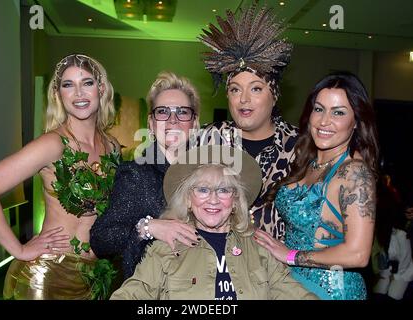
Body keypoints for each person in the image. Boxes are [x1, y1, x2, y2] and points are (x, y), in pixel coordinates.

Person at [0, 54, 121, 299]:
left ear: (101, 89)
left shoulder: (112, 146)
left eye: (87, 82)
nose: (78, 93)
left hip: (95, 277)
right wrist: (19, 249)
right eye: (68, 85)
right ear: (59, 95)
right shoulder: (54, 143)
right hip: (47, 275)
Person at [111, 145, 317, 300]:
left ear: (235, 201)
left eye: (224, 190)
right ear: (188, 200)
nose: (213, 199)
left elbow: (293, 292)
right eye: (202, 189)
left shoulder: (258, 246)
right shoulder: (166, 247)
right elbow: (133, 293)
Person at [253, 72, 379, 300]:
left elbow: (358, 254)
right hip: (290, 285)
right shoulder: (308, 160)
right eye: (319, 109)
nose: (324, 121)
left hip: (330, 291)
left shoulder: (354, 172)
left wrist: (291, 255)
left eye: (338, 112)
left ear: (356, 122)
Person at [197, 2, 298, 240]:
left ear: (274, 95)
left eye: (255, 89)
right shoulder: (208, 139)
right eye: (234, 89)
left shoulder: (299, 146)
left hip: (276, 269)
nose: (243, 99)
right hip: (216, 264)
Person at [90, 71, 200, 279]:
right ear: (151, 124)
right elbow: (101, 239)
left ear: (194, 123)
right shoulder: (136, 173)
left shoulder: (206, 173)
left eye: (183, 112)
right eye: (162, 112)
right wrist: (149, 227)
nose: (173, 120)